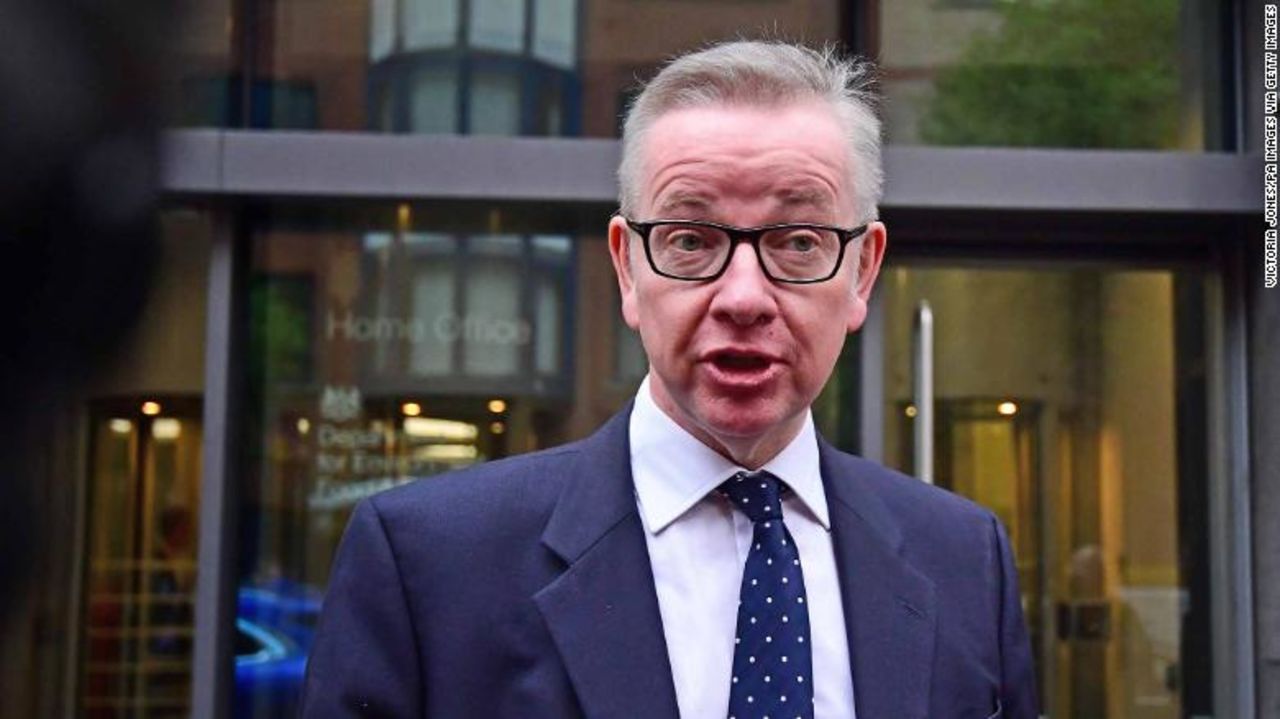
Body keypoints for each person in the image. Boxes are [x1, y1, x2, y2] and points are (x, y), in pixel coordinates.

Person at [300, 41, 1036, 718]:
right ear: (626, 266)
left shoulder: (966, 560)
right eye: (690, 240)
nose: (743, 295)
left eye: (799, 241)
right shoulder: (429, 564)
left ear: (862, 271)